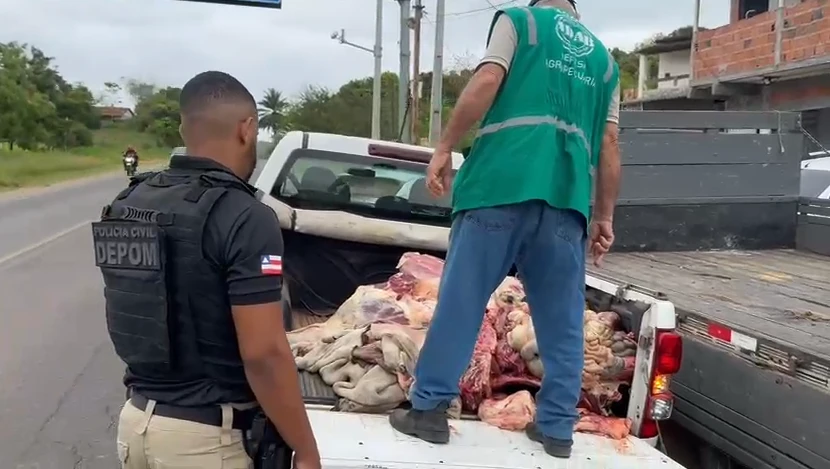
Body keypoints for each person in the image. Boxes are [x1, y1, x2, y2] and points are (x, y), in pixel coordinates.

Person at [388, 0, 622, 460]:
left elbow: (488, 79)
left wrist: (444, 146)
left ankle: (429, 410)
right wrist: (604, 217)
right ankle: (556, 429)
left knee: (463, 301)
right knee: (563, 324)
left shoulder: (521, 21)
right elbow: (610, 143)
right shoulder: (605, 62)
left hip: (498, 186)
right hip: (565, 202)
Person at [92, 71, 321, 469]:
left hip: (136, 427)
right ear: (247, 129)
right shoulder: (246, 216)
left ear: (184, 127)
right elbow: (264, 354)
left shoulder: (129, 200)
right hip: (206, 444)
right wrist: (306, 449)